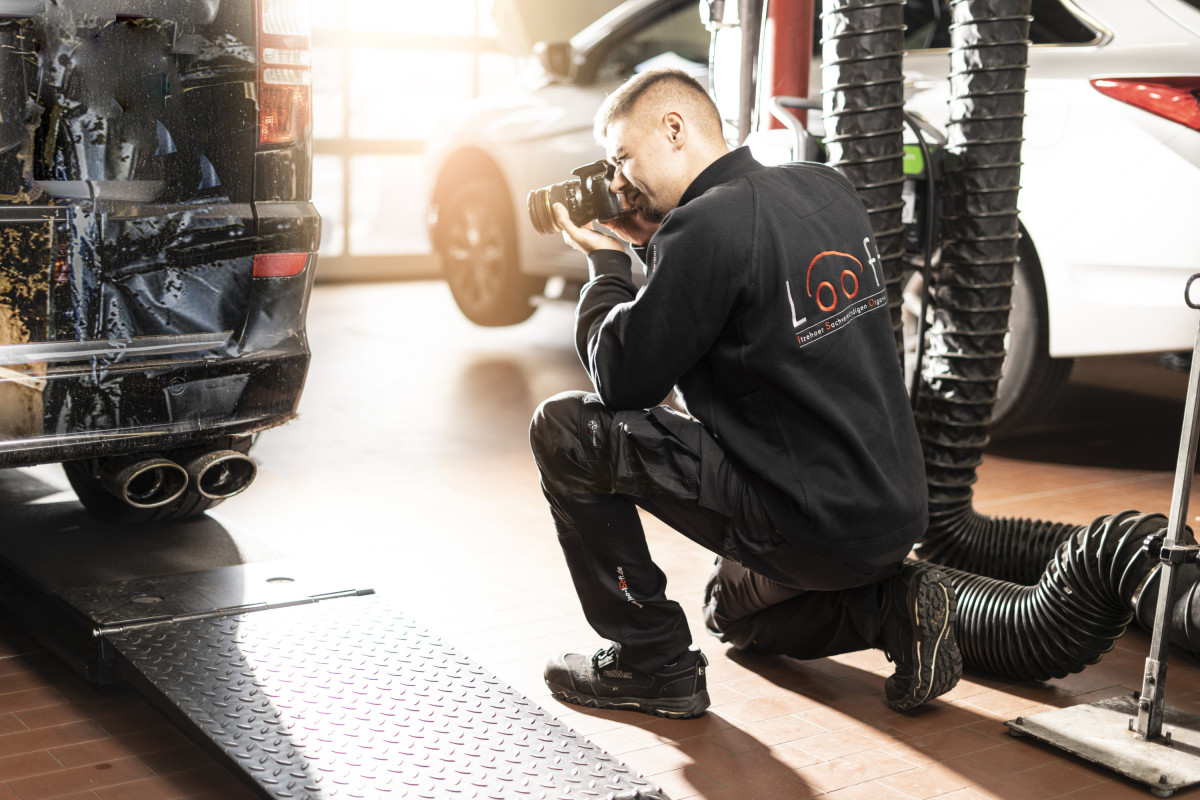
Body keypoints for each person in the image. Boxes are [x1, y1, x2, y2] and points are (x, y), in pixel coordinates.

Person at [528, 67, 961, 719]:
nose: (620, 180)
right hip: (890, 511)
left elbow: (622, 379)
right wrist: (655, 242)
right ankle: (890, 607)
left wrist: (605, 264)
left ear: (673, 130)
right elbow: (719, 288)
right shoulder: (826, 187)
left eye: (623, 157)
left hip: (805, 520)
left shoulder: (706, 228)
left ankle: (653, 666)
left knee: (567, 429)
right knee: (729, 613)